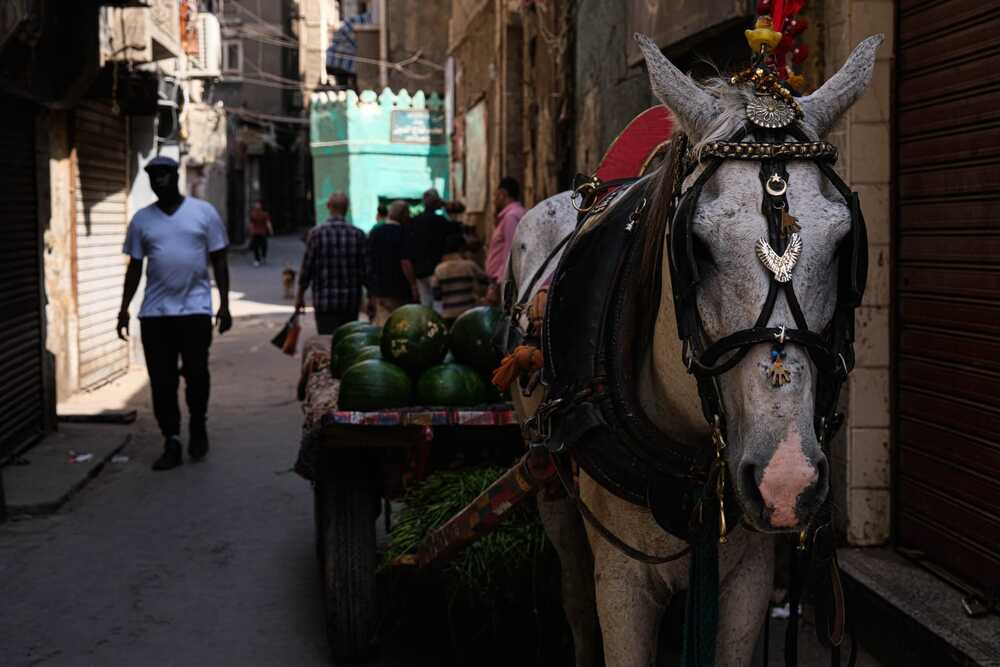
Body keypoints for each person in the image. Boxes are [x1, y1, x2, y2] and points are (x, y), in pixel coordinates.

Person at [116, 156, 231, 471]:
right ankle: (171, 439)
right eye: (153, 177)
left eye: (164, 175)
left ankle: (197, 422)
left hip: (195, 311)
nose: (158, 181)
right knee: (161, 382)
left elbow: (219, 259)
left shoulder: (203, 213)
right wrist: (123, 310)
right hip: (154, 315)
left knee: (196, 374)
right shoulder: (142, 220)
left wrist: (224, 304)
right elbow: (135, 268)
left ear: (175, 176)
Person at [295, 192, 367, 334]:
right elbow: (366, 271)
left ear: (328, 206)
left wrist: (300, 296)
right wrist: (371, 298)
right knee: (348, 343)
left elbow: (306, 269)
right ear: (347, 208)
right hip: (350, 302)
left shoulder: (316, 234)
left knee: (327, 344)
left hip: (324, 303)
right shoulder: (358, 234)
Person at [402, 188, 462, 307]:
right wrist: (447, 207)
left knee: (426, 305)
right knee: (439, 305)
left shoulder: (414, 222)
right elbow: (456, 230)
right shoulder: (440, 221)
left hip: (420, 270)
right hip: (436, 269)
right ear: (436, 203)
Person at [366, 200, 413, 325]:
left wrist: (370, 289)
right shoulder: (403, 232)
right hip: (399, 289)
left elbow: (368, 262)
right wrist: (413, 285)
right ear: (403, 215)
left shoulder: (375, 232)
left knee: (383, 323)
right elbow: (405, 262)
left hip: (380, 288)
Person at [485, 177, 527, 305]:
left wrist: (497, 286)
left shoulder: (511, 217)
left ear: (503, 194)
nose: (494, 200)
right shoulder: (520, 213)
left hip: (506, 283)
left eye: (496, 195)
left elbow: (510, 252)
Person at [432, 234, 489, 326]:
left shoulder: (439, 269)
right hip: (469, 313)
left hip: (449, 316)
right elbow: (486, 281)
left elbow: (437, 295)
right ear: (461, 249)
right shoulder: (469, 265)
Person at [247, 200, 273, 266]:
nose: (257, 208)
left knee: (263, 246)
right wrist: (250, 230)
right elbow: (251, 223)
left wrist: (270, 229)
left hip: (262, 233)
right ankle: (257, 259)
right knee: (256, 246)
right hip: (256, 233)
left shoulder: (264, 214)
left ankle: (262, 257)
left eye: (258, 206)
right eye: (256, 206)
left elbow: (267, 223)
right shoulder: (253, 214)